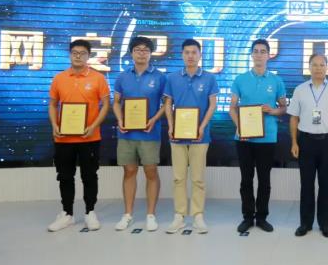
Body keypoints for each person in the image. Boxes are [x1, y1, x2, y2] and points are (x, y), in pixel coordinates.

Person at [47, 39, 110, 232]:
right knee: (65, 176)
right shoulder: (59, 78)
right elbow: (52, 105)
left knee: (89, 176)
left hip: (89, 137)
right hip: (63, 138)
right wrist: (55, 124)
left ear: (88, 56)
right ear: (70, 54)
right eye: (75, 52)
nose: (78, 56)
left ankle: (90, 212)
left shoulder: (98, 78)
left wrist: (93, 126)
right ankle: (67, 214)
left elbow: (105, 105)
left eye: (83, 53)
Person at [229, 39, 287, 233]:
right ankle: (247, 217)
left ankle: (262, 217)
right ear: (252, 55)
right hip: (244, 138)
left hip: (267, 138)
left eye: (263, 51)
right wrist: (240, 127)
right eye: (256, 51)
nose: (259, 54)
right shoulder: (240, 79)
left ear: (269, 55)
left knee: (264, 180)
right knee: (246, 179)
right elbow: (232, 108)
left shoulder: (276, 81)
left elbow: (283, 108)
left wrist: (272, 110)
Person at [288, 54, 328, 238]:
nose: (318, 68)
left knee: (326, 185)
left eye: (322, 65)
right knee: (306, 185)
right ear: (309, 67)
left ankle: (325, 224)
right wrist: (294, 142)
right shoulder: (300, 90)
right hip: (305, 142)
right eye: (315, 65)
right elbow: (294, 118)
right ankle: (305, 224)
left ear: (327, 68)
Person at [163, 39, 218, 234]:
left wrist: (202, 127)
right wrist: (171, 126)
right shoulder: (172, 78)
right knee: (178, 178)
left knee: (198, 178)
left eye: (194, 52)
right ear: (182, 55)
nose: (190, 56)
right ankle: (179, 216)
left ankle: (197, 216)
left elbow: (212, 105)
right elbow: (168, 104)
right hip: (177, 135)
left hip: (200, 136)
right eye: (187, 52)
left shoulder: (209, 78)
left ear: (200, 55)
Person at [112, 36, 166, 232]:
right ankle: (127, 214)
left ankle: (151, 215)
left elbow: (167, 104)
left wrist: (154, 119)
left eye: (145, 50)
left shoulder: (160, 77)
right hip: (127, 134)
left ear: (151, 54)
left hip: (150, 133)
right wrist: (120, 119)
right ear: (131, 53)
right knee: (129, 172)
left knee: (151, 172)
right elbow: (116, 102)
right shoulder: (122, 77)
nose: (142, 53)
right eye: (138, 50)